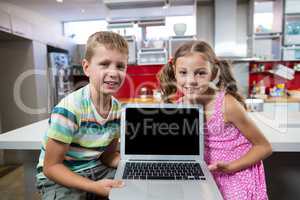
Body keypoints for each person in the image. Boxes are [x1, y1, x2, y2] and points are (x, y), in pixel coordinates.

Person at [158, 40, 272, 200]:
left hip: (236, 172)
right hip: (207, 173)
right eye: (183, 73)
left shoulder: (227, 104)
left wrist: (231, 167)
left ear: (213, 72)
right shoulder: (179, 107)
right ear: (174, 73)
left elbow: (264, 147)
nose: (191, 80)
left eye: (200, 73)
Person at [36, 31, 128, 200]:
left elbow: (108, 156)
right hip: (59, 180)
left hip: (97, 169)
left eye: (120, 66)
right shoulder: (71, 108)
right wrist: (93, 187)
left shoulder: (117, 110)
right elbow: (51, 167)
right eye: (105, 64)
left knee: (137, 187)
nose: (114, 72)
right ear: (86, 67)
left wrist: (131, 163)